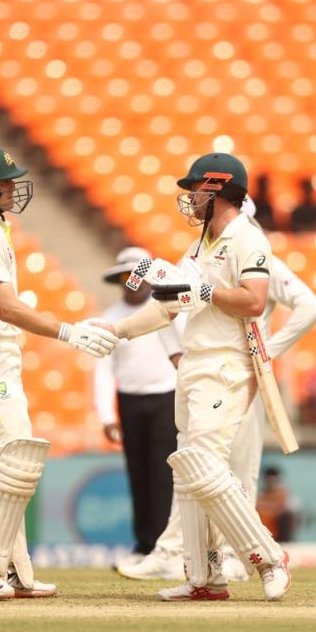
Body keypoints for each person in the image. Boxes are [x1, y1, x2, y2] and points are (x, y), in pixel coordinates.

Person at [109, 152, 302, 602]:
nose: (189, 198)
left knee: (208, 467)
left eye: (194, 189)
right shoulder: (200, 246)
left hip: (226, 366)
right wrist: (115, 330)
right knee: (188, 472)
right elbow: (167, 306)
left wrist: (207, 291)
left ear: (217, 190)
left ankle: (269, 558)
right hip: (195, 366)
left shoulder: (248, 240)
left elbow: (254, 301)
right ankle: (204, 578)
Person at [0, 146, 117, 599]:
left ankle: (14, 569)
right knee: (17, 460)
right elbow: (6, 308)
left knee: (7, 466)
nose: (12, 188)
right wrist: (68, 332)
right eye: (4, 182)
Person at [94, 246, 181, 561]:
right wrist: (107, 415)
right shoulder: (111, 318)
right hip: (129, 400)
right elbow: (103, 370)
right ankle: (144, 544)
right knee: (137, 472)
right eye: (127, 277)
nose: (133, 282)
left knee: (163, 473)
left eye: (138, 275)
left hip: (166, 398)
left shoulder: (167, 311)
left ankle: (164, 546)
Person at [256, 466, 297, 542]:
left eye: (273, 480)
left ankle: (285, 543)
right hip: (263, 534)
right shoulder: (260, 495)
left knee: (287, 516)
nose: (271, 483)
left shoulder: (284, 494)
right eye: (269, 480)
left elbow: (290, 512)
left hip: (278, 535)